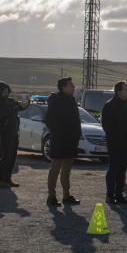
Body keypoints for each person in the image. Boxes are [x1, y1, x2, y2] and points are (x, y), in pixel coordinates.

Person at [45, 77, 81, 207]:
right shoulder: (56, 100)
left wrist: (76, 135)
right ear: (63, 87)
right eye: (71, 85)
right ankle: (51, 197)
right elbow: (49, 120)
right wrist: (59, 133)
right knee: (55, 169)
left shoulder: (71, 100)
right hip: (59, 141)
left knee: (67, 170)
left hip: (71, 141)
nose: (74, 87)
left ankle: (66, 195)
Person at [101, 81, 127, 205]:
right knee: (113, 169)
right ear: (119, 91)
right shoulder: (109, 105)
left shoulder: (125, 105)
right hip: (115, 143)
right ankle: (110, 195)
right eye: (126, 89)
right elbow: (107, 126)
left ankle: (119, 194)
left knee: (122, 170)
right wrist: (119, 137)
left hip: (125, 143)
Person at [0, 81, 22, 188]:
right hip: (4, 133)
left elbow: (20, 107)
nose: (6, 93)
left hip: (13, 132)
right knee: (5, 157)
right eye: (4, 91)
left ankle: (7, 178)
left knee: (12, 157)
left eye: (7, 91)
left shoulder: (10, 101)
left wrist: (25, 104)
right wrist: (10, 109)